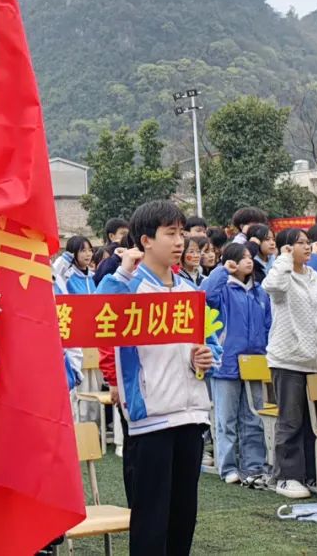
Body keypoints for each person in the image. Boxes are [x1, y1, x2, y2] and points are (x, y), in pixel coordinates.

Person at [96, 200, 220, 556]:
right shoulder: (128, 286)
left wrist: (206, 358)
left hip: (192, 413)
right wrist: (121, 273)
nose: (180, 241)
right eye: (171, 233)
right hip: (150, 420)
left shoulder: (189, 290)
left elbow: (209, 343)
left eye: (182, 233)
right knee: (151, 521)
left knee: (183, 518)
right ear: (146, 240)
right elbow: (98, 318)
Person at [263, 227, 317, 499]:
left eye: (308, 243)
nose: (307, 247)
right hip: (288, 359)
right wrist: (283, 259)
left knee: (314, 422)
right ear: (286, 248)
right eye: (300, 243)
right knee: (291, 421)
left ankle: (311, 473)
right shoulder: (282, 276)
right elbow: (271, 286)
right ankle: (286, 477)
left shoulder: (316, 278)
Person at [203, 242, 271, 488]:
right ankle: (228, 466)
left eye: (249, 257)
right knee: (226, 419)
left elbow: (267, 324)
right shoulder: (223, 289)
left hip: (254, 363)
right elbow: (205, 295)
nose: (248, 261)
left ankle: (254, 465)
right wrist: (222, 270)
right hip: (227, 362)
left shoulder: (260, 292)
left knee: (253, 418)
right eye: (241, 257)